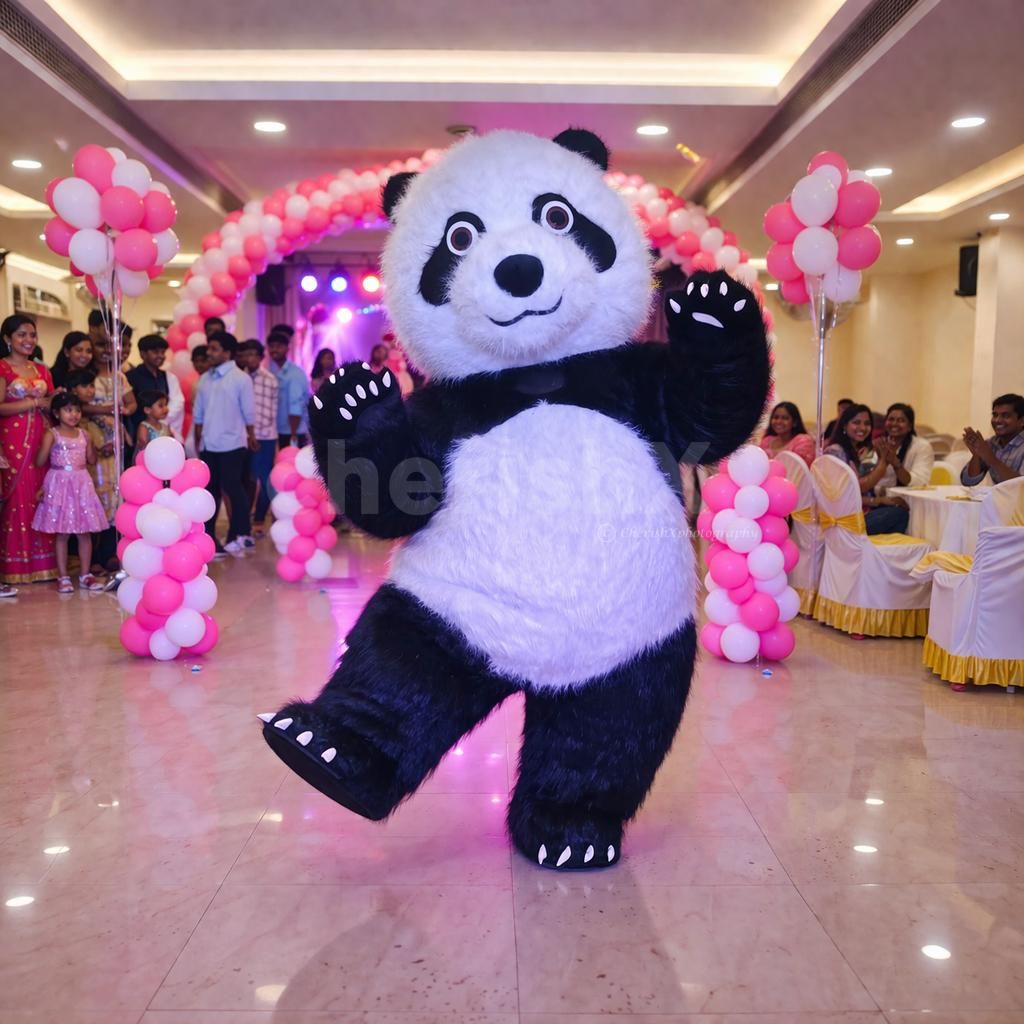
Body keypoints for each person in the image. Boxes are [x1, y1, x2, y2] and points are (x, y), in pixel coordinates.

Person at [0, 314, 57, 589]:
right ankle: (15, 565)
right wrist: (33, 404)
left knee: (41, 495)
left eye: (32, 335)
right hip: (12, 440)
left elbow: (54, 404)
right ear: (7, 339)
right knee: (17, 498)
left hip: (40, 441)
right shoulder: (2, 368)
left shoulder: (42, 370)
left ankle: (43, 564)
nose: (28, 340)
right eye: (22, 334)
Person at [32, 393, 109, 593]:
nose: (73, 414)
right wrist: (44, 449)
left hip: (81, 482)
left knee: (84, 531)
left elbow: (91, 460)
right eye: (68, 410)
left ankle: (85, 574)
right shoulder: (53, 434)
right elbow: (40, 461)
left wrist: (93, 447)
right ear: (57, 413)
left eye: (76, 410)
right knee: (63, 532)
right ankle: (63, 576)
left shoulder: (85, 434)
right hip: (59, 483)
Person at [192, 332, 257, 555]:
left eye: (214, 349)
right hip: (209, 445)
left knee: (233, 488)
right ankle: (210, 540)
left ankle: (240, 533)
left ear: (227, 353)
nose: (209, 353)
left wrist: (252, 436)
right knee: (210, 492)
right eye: (209, 348)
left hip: (232, 444)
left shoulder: (240, 378)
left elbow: (249, 413)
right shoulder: (204, 379)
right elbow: (198, 414)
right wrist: (198, 441)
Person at [85, 334, 135, 571]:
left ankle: (109, 553)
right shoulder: (87, 376)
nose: (106, 351)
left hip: (115, 439)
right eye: (100, 345)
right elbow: (78, 404)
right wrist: (106, 409)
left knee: (115, 494)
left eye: (109, 346)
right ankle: (93, 556)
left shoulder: (119, 377)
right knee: (93, 494)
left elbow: (132, 403)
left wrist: (123, 410)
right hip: (90, 437)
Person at [823, 402, 909, 534]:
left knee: (900, 508)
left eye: (867, 424)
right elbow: (850, 491)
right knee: (899, 513)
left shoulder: (857, 450)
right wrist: (883, 461)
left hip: (858, 513)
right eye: (856, 422)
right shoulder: (835, 451)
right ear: (844, 426)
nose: (862, 428)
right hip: (844, 521)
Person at [238, 339, 279, 536]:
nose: (249, 358)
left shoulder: (268, 379)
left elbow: (267, 413)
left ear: (261, 357)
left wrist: (253, 435)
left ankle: (260, 518)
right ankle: (245, 521)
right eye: (246, 354)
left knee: (265, 480)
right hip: (244, 438)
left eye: (253, 354)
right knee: (247, 480)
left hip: (264, 437)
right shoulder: (240, 378)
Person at [126, 335, 184, 441]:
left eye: (163, 352)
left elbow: (177, 403)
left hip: (161, 431)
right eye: (156, 352)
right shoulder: (130, 377)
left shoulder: (166, 376)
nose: (161, 356)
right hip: (137, 433)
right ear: (142, 354)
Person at [961, 393, 1024, 486]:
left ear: (1022, 421)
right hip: (1000, 499)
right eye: (995, 415)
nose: (997, 420)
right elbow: (968, 481)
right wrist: (976, 455)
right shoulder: (991, 444)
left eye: (1006, 416)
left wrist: (990, 458)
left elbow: (1021, 488)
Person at [875, 403, 934, 493]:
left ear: (910, 426)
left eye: (901, 420)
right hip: (878, 498)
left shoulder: (921, 446)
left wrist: (896, 464)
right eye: (891, 419)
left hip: (908, 500)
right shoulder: (879, 444)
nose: (894, 424)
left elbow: (920, 482)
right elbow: (870, 480)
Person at [267, 331, 309, 448]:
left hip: (294, 431)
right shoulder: (270, 371)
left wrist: (293, 433)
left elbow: (295, 405)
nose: (274, 350)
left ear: (287, 348)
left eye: (279, 346)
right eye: (271, 346)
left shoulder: (295, 373)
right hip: (276, 431)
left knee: (291, 464)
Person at [759, 401, 815, 467]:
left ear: (795, 422)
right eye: (776, 417)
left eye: (785, 418)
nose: (778, 421)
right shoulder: (766, 441)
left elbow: (799, 471)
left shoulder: (803, 441)